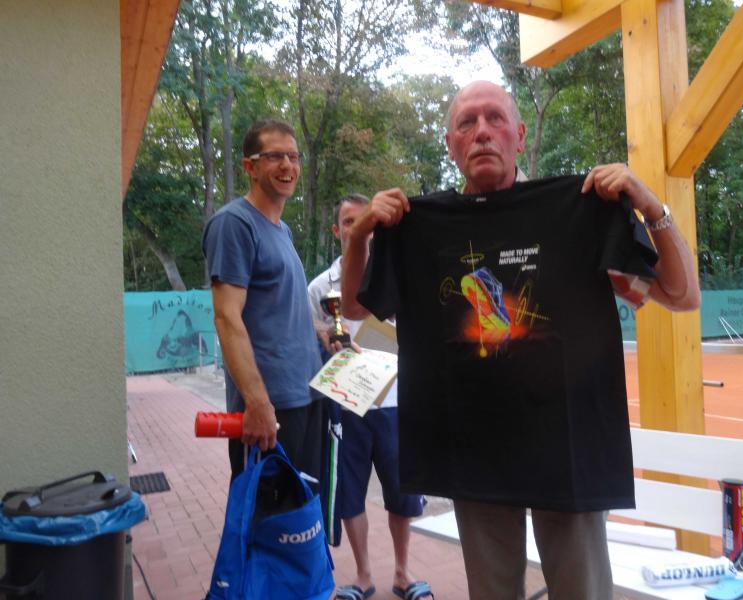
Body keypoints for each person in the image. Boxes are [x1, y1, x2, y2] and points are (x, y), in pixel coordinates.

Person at [339, 81, 700, 600]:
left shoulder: (578, 211)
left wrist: (649, 204)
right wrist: (359, 235)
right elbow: (355, 309)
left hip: (566, 449)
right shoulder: (421, 227)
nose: (482, 132)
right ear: (450, 144)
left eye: (495, 118)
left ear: (520, 135)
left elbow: (681, 296)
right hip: (475, 450)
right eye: (467, 123)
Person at [308, 193, 431, 600]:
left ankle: (403, 573)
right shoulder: (320, 287)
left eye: (366, 221)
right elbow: (312, 335)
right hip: (346, 404)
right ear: (337, 230)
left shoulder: (399, 276)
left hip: (396, 402)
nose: (357, 228)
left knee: (402, 493)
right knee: (350, 494)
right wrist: (323, 337)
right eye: (348, 221)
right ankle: (362, 576)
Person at [202, 118, 329, 482]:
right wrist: (257, 403)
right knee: (269, 515)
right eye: (275, 156)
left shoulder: (282, 230)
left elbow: (275, 310)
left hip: (305, 395)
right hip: (272, 409)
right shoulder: (234, 224)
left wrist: (317, 330)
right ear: (250, 167)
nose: (287, 165)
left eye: (293, 156)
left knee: (303, 512)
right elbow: (227, 317)